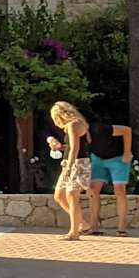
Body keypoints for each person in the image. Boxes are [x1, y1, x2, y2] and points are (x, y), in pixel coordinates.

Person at [49, 101, 92, 241]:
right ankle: (83, 224)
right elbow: (79, 145)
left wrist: (68, 168)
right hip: (72, 162)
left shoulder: (73, 125)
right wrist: (60, 147)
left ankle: (74, 232)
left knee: (71, 196)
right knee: (59, 195)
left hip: (77, 164)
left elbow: (75, 148)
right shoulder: (80, 123)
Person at [88, 120, 134, 235]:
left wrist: (127, 152)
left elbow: (126, 130)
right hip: (98, 159)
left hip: (117, 158)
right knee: (93, 190)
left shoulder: (101, 129)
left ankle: (122, 227)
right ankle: (93, 227)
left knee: (119, 190)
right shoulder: (79, 134)